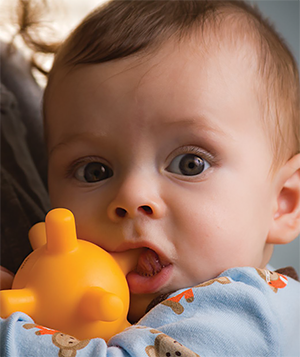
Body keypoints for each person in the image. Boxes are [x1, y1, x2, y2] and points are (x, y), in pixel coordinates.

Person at [1, 0, 300, 355]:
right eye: (94, 171)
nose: (131, 195)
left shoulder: (250, 308)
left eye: (190, 164)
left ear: (283, 202)